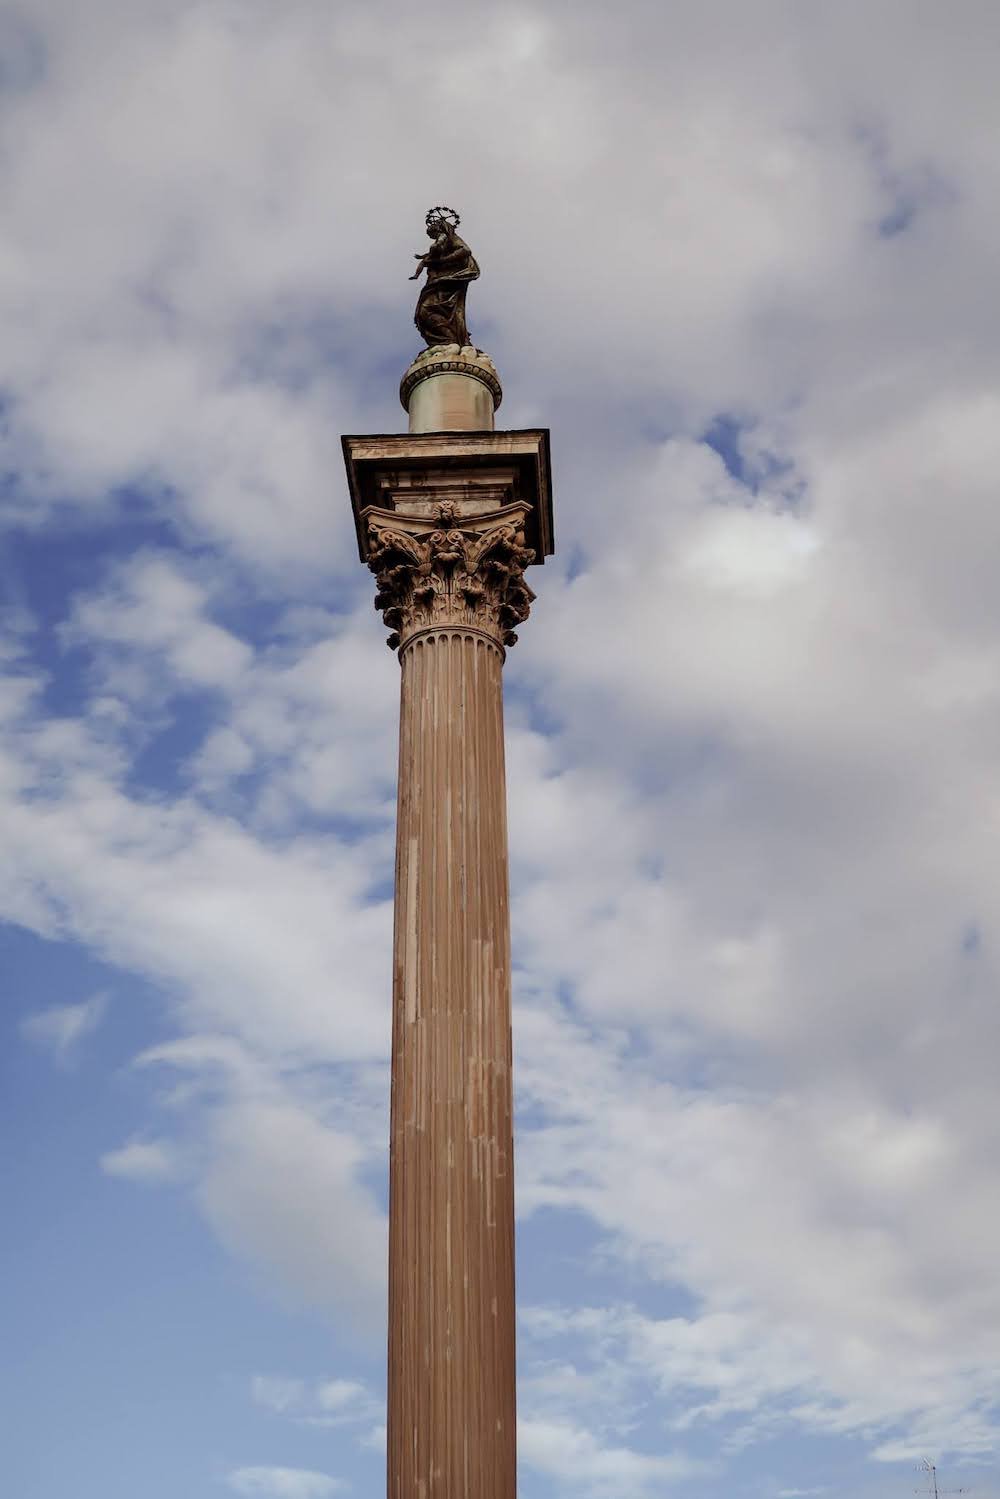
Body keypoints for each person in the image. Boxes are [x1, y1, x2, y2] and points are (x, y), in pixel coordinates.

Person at [410, 210, 480, 346]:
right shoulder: (441, 243)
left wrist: (442, 261)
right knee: (423, 313)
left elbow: (465, 250)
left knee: (427, 310)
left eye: (434, 234)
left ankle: (450, 342)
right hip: (436, 282)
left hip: (448, 279)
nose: (435, 238)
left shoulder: (450, 238)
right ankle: (448, 341)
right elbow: (428, 258)